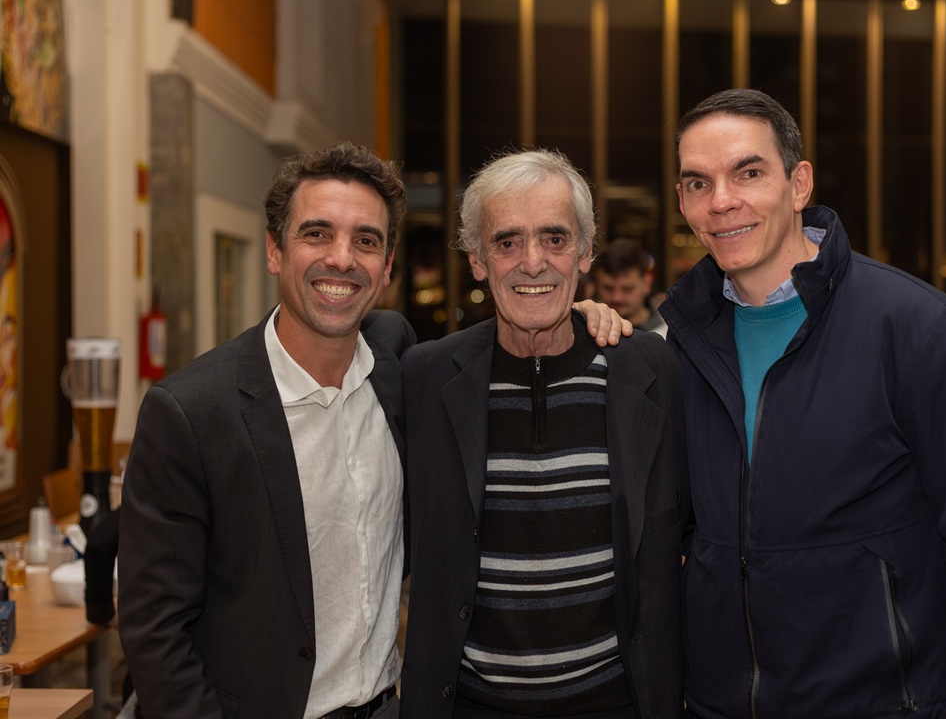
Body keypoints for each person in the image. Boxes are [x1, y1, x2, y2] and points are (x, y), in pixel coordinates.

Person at [117, 141, 629, 719]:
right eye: (317, 234)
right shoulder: (191, 410)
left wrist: (577, 314)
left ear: (387, 267)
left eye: (366, 240)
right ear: (274, 250)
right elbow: (154, 630)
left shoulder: (400, 366)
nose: (341, 259)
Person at [660, 88, 946, 718]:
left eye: (748, 173)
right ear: (682, 201)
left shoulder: (921, 329)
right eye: (698, 183)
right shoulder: (683, 342)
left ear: (798, 183)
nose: (721, 201)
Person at [399, 149, 689, 719]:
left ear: (584, 253)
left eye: (555, 239)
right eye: (507, 242)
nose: (533, 263)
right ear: (477, 260)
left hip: (620, 704)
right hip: (470, 707)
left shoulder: (651, 372)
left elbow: (693, 532)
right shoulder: (424, 377)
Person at [594, 239, 667, 337]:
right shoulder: (585, 329)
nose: (617, 298)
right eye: (608, 288)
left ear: (647, 284)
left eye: (627, 289)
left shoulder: (668, 335)